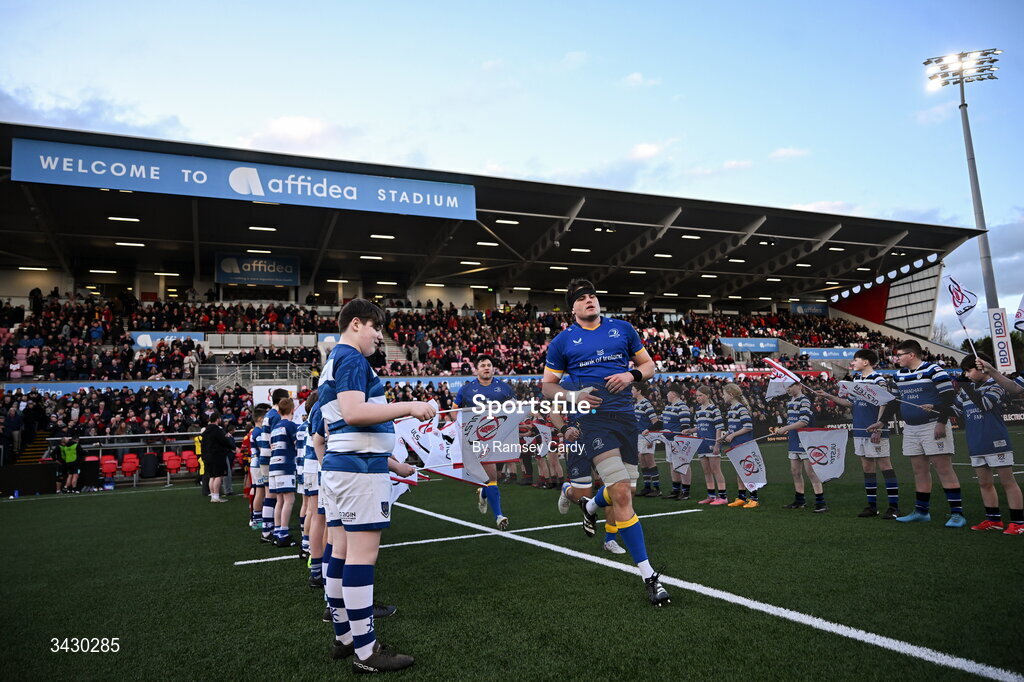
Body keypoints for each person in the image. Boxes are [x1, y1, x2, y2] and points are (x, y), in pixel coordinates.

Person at [317, 298, 434, 672]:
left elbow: (338, 426)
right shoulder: (351, 357)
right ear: (355, 324)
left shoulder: (334, 361)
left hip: (343, 467)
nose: (379, 336)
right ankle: (366, 653)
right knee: (361, 557)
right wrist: (410, 406)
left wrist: (397, 465)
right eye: (375, 327)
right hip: (358, 471)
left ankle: (344, 637)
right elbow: (354, 413)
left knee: (340, 552)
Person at [541, 279, 670, 606]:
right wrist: (575, 394)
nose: (589, 301)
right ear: (573, 308)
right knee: (623, 492)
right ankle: (649, 577)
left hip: (627, 419)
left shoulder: (623, 329)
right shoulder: (562, 342)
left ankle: (592, 505)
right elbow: (547, 387)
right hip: (593, 420)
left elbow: (649, 366)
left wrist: (632, 375)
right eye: (582, 298)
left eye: (592, 296)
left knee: (624, 488)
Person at [868, 340, 963, 527]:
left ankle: (957, 514)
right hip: (910, 428)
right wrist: (882, 421)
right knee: (919, 471)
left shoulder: (934, 370)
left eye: (899, 354)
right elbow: (894, 402)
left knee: (944, 469)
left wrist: (941, 422)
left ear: (911, 355)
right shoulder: (898, 375)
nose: (896, 358)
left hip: (932, 425)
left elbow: (949, 398)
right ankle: (921, 512)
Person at [814, 349, 900, 519]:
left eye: (855, 360)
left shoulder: (878, 379)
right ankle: (872, 506)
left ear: (866, 362)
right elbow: (849, 403)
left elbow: (885, 402)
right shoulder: (857, 379)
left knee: (885, 466)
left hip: (875, 429)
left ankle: (894, 507)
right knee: (867, 467)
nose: (853, 363)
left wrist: (879, 427)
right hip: (860, 429)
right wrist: (828, 396)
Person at [953, 354, 1023, 535]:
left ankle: (1018, 522)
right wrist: (935, 406)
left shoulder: (997, 385)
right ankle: (994, 520)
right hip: (975, 441)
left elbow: (985, 404)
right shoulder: (968, 389)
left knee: (1008, 481)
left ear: (981, 367)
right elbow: (956, 408)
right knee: (984, 483)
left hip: (996, 440)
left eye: (968, 370)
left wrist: (965, 387)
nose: (966, 375)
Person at [454, 355, 516, 529]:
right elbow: (453, 410)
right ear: (476, 369)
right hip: (476, 439)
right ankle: (499, 516)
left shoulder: (504, 387)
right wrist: (460, 428)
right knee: (492, 476)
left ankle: (483, 493)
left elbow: (515, 409)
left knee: (490, 476)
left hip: (498, 437)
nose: (486, 368)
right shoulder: (467, 389)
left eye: (489, 365)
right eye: (482, 365)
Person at [775, 382, 828, 512]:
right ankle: (800, 500)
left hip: (805, 439)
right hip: (794, 439)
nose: (787, 389)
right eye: (786, 386)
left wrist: (785, 428)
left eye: (790, 386)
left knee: (810, 472)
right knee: (795, 471)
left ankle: (821, 503)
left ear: (799, 385)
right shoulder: (791, 400)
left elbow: (804, 422)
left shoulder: (804, 400)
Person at [682, 385, 727, 505]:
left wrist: (717, 444)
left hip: (712, 443)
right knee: (706, 471)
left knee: (716, 470)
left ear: (707, 396)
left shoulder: (714, 409)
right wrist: (690, 430)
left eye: (700, 395)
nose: (698, 398)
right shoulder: (698, 410)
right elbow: (699, 427)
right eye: (696, 396)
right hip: (701, 444)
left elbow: (719, 428)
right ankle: (711, 496)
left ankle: (723, 496)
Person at [719, 383, 759, 508]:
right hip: (735, 444)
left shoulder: (740, 408)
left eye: (724, 394)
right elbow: (733, 429)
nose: (722, 396)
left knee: (748, 471)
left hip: (744, 444)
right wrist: (725, 436)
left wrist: (733, 435)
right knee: (739, 470)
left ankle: (754, 498)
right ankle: (741, 497)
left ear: (731, 395)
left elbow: (748, 427)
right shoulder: (731, 409)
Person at [259, 389, 291, 542]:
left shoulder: (268, 414)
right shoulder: (275, 416)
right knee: (271, 496)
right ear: (282, 399)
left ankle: (269, 528)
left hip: (265, 458)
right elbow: (277, 439)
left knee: (270, 495)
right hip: (271, 459)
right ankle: (267, 531)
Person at [269, 397, 300, 546]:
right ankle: (284, 534)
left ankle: (277, 532)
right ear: (292, 410)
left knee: (279, 500)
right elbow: (297, 445)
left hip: (273, 466)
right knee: (289, 500)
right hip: (285, 465)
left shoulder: (275, 427)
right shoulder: (290, 425)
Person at [661, 384, 693, 501]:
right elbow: (662, 422)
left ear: (673, 394)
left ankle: (685, 491)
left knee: (683, 465)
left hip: (679, 441)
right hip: (668, 440)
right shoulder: (668, 406)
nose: (667, 395)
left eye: (668, 393)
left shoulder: (682, 407)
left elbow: (685, 427)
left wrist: (673, 433)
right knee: (672, 464)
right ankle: (675, 490)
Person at [632, 383, 663, 497]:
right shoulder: (636, 404)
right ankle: (647, 487)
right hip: (639, 436)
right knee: (643, 461)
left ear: (639, 391)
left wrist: (651, 438)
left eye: (633, 389)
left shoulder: (646, 404)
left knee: (650, 461)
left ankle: (657, 488)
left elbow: (656, 423)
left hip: (647, 436)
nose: (631, 391)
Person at [200, 413, 234, 503]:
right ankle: (216, 496)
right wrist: (233, 447)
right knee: (218, 476)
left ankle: (213, 496)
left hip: (207, 456)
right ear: (218, 419)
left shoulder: (205, 431)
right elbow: (224, 441)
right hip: (217, 455)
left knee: (211, 476)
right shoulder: (217, 430)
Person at [248, 406, 269, 530]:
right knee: (260, 491)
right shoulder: (258, 432)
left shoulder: (254, 431)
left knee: (258, 491)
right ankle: (257, 519)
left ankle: (256, 518)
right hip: (258, 464)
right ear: (261, 419)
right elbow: (263, 450)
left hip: (254, 464)